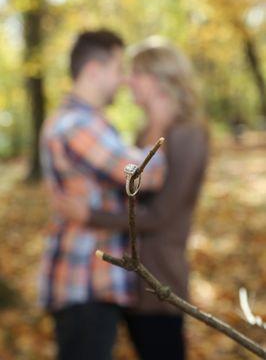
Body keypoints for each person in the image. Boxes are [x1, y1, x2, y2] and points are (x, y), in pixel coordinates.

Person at [56, 37, 209, 359]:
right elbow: (129, 198)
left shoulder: (189, 134)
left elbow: (162, 216)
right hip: (125, 279)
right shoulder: (142, 135)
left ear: (157, 80)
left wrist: (90, 215)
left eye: (135, 73)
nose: (127, 80)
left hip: (160, 280)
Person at [39, 30, 166, 360]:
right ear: (94, 70)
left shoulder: (87, 121)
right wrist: (164, 122)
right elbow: (146, 173)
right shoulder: (75, 124)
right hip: (83, 285)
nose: (124, 80)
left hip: (90, 283)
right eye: (117, 68)